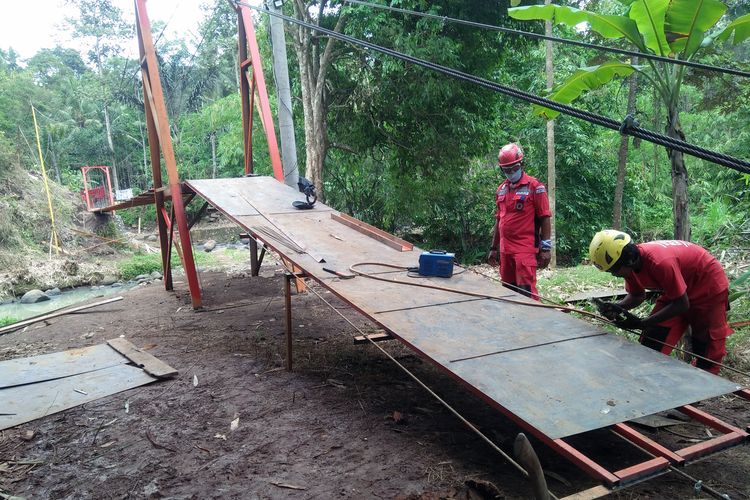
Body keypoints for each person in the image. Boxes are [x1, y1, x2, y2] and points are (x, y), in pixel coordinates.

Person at [589, 230, 732, 374]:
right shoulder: (631, 262)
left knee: (705, 346)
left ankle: (704, 383)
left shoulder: (660, 262)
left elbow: (682, 304)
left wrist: (643, 323)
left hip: (708, 286)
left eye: (614, 270)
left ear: (629, 259)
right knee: (653, 339)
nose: (614, 274)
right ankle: (650, 377)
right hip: (677, 293)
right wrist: (617, 307)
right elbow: (637, 295)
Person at [487, 143, 552, 299]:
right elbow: (499, 220)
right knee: (508, 292)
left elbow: (545, 217)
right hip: (505, 251)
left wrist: (546, 248)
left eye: (514, 168)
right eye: (506, 170)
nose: (511, 172)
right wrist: (493, 248)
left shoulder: (535, 187)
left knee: (526, 292)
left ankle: (533, 320)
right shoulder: (501, 189)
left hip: (524, 251)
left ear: (521, 164)